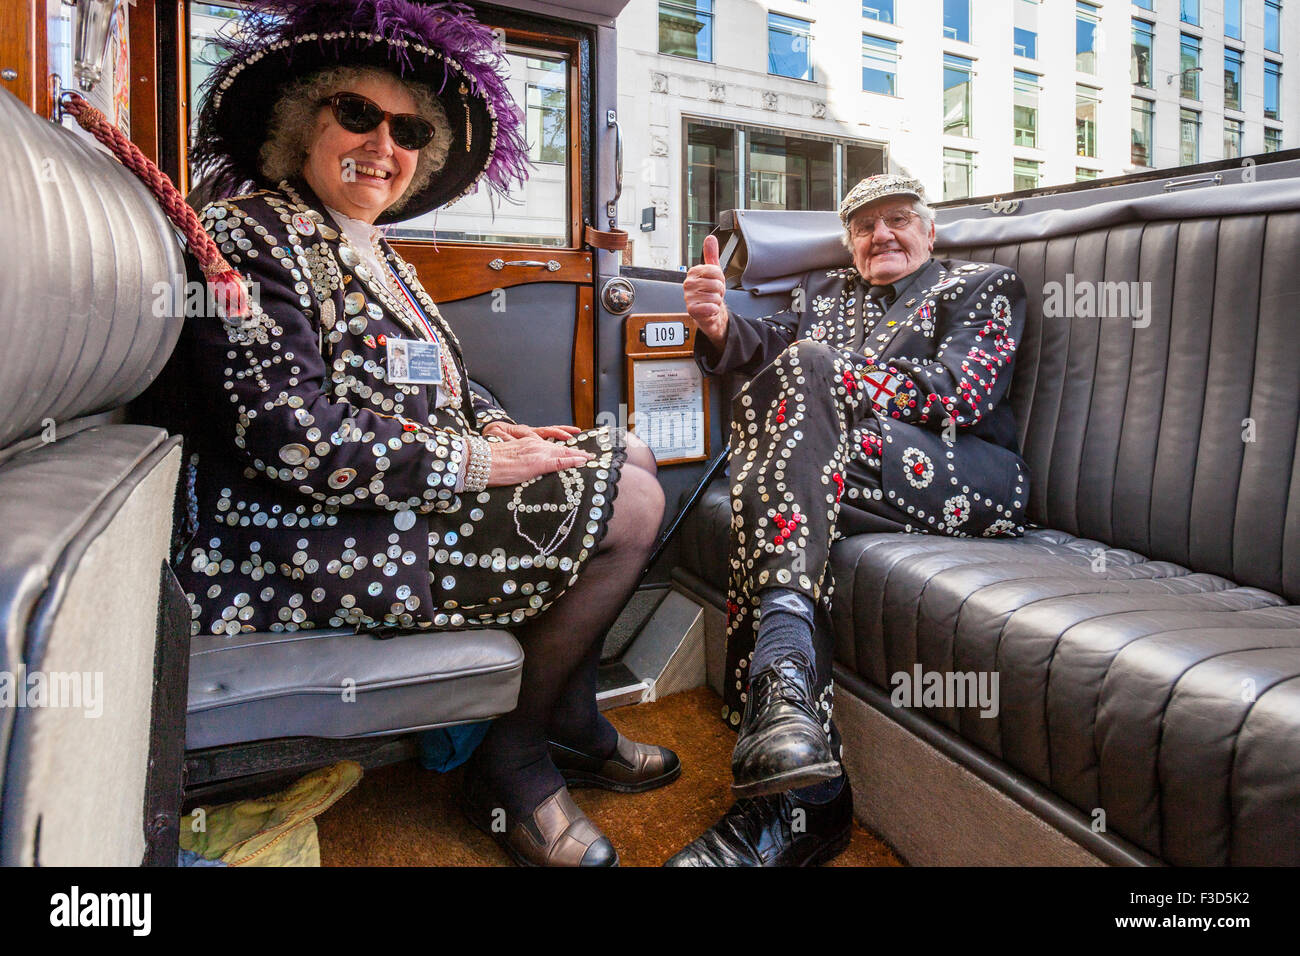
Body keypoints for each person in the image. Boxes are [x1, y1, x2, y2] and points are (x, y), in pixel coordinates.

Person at [170, 0, 674, 867]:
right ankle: (513, 761)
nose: (383, 146)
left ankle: (570, 715)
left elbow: (442, 382)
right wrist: (480, 461)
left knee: (629, 451)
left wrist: (500, 427)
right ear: (302, 124)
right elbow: (294, 439)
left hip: (395, 495)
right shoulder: (247, 237)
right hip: (288, 535)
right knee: (627, 504)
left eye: (406, 130)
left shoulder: (381, 254)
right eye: (356, 114)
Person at [667, 174, 1029, 866]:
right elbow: (765, 343)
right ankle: (800, 778)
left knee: (780, 452)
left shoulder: (981, 285)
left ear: (929, 230)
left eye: (897, 220)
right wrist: (717, 326)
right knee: (786, 476)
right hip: (844, 461)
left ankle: (793, 777)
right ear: (850, 242)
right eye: (864, 227)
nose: (880, 236)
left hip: (966, 471)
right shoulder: (826, 295)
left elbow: (963, 394)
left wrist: (826, 374)